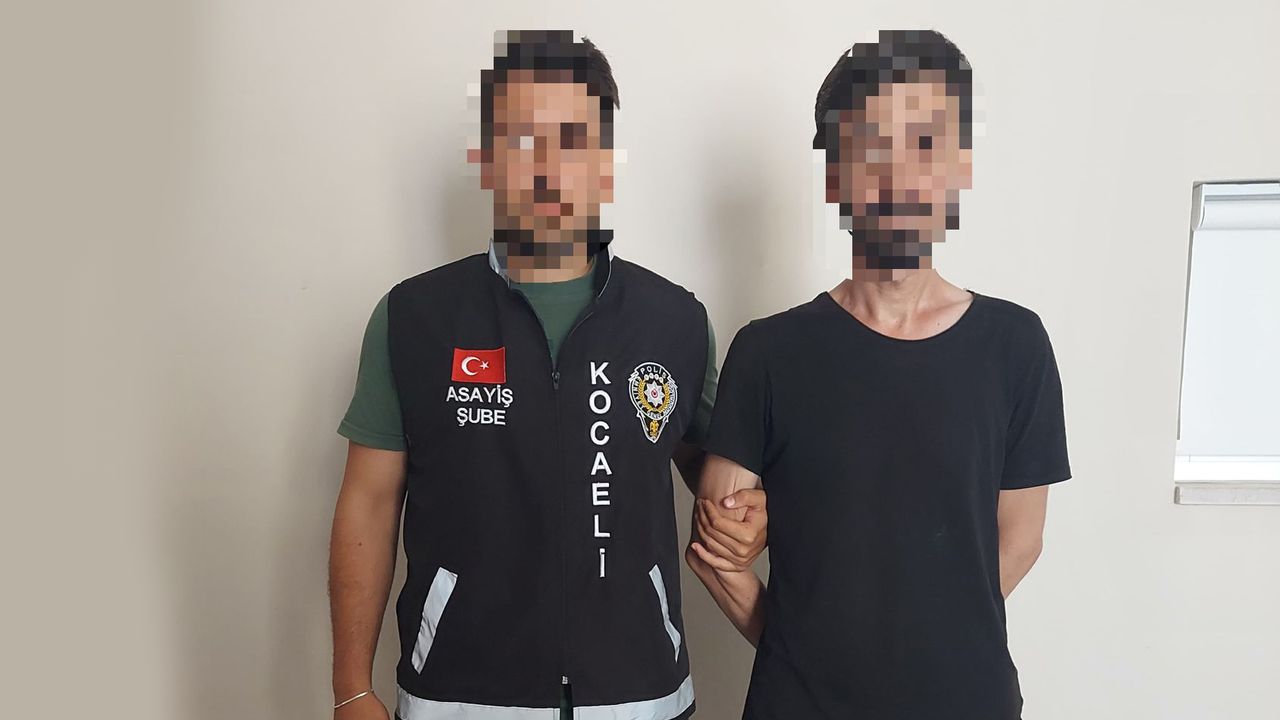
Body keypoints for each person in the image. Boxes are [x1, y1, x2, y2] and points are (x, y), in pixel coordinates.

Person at [327, 30, 765, 720]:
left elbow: (717, 477)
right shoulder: (414, 318)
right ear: (488, 160)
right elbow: (369, 504)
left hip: (640, 697)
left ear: (605, 163)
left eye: (574, 140)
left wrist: (751, 520)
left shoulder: (674, 321)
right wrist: (352, 687)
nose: (549, 168)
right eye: (523, 140)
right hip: (457, 698)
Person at [687, 29, 1072, 719]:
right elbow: (718, 549)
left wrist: (922, 650)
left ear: (959, 168)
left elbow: (1020, 537)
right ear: (836, 177)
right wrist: (800, 655)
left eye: (925, 144)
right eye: (871, 148)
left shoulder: (1015, 346)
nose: (899, 176)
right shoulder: (767, 352)